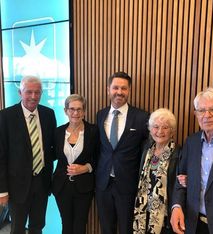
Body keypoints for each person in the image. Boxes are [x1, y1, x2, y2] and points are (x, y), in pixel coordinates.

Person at [170, 87, 213, 234]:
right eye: (201, 110)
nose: (207, 115)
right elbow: (180, 180)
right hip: (193, 224)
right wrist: (177, 206)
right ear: (196, 114)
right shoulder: (191, 142)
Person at [0, 75, 56, 234]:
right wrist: (2, 191)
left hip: (42, 183)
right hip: (16, 186)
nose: (33, 96)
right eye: (28, 92)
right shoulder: (5, 117)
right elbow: (1, 156)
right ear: (20, 92)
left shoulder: (48, 114)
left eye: (37, 92)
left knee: (37, 226)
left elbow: (52, 147)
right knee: (17, 228)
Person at [96, 71, 149, 234]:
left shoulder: (141, 117)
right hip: (103, 184)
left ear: (129, 90)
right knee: (106, 228)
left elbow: (146, 151)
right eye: (115, 87)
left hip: (127, 185)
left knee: (127, 229)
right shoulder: (101, 114)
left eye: (124, 88)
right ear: (108, 89)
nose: (119, 92)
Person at [52, 94, 98, 234]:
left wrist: (86, 168)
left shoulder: (93, 131)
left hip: (84, 187)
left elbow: (100, 157)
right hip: (62, 186)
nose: (75, 113)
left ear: (84, 111)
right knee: (66, 223)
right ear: (66, 111)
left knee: (80, 224)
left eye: (79, 109)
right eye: (72, 109)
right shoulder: (58, 132)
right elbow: (52, 156)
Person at [133, 108, 181, 234]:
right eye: (156, 126)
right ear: (150, 129)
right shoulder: (147, 150)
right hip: (144, 211)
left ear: (172, 131)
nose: (160, 131)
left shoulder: (179, 153)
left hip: (165, 215)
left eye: (165, 127)